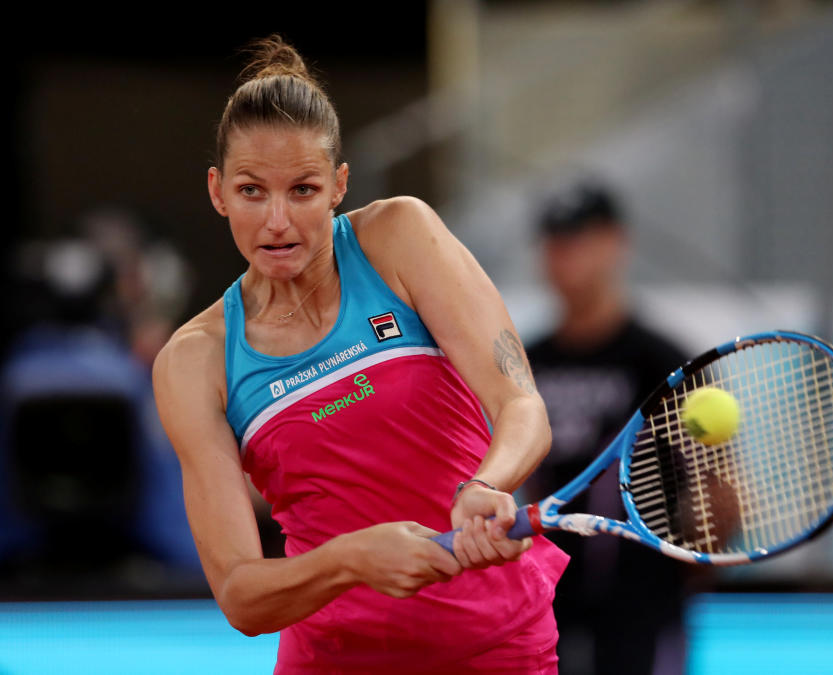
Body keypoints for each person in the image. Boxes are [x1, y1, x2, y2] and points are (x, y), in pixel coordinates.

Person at [151, 36, 567, 673]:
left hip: (498, 646)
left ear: (340, 185)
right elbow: (240, 594)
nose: (278, 223)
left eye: (304, 189)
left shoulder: (400, 238)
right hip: (335, 658)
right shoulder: (194, 362)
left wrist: (487, 483)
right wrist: (350, 560)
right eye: (252, 191)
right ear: (217, 191)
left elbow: (521, 404)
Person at [524, 183, 691, 675]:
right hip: (546, 602)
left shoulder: (661, 361)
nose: (565, 256)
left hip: (643, 608)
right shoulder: (525, 362)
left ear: (617, 243)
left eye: (580, 239)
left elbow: (715, 490)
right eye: (556, 241)